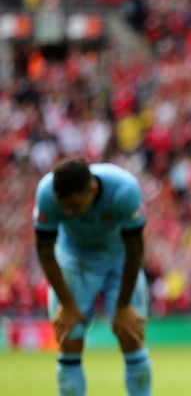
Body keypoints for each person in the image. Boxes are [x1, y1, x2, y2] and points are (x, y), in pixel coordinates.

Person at [33, 158, 151, 396]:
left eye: (74, 205)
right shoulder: (46, 193)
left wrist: (124, 306)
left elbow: (135, 249)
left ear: (93, 190)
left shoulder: (124, 189)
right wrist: (66, 305)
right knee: (69, 340)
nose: (68, 212)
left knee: (131, 334)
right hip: (74, 262)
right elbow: (45, 251)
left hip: (119, 262)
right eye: (63, 205)